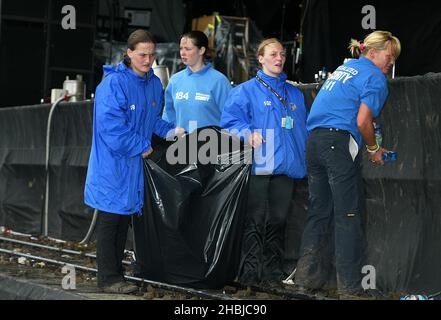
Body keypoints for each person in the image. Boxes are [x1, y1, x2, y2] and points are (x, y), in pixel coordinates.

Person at [293, 30, 401, 299]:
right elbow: (363, 121)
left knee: (319, 211)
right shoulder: (375, 77)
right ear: (373, 53)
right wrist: (374, 148)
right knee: (348, 215)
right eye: (390, 56)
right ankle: (351, 288)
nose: (392, 63)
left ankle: (305, 280)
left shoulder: (346, 67)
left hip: (314, 142)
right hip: (336, 144)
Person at [84, 29, 183, 294]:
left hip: (132, 167)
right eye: (142, 54)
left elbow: (151, 121)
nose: (148, 60)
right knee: (110, 220)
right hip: (113, 165)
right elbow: (112, 128)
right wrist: (142, 146)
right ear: (128, 53)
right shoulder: (113, 84)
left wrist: (170, 131)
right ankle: (108, 278)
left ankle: (115, 274)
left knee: (121, 220)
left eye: (152, 55)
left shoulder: (153, 84)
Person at [221, 38, 308, 288]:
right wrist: (247, 133)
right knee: (255, 220)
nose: (279, 58)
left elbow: (303, 129)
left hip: (287, 166)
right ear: (260, 58)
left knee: (278, 220)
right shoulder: (245, 91)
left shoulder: (294, 93)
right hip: (260, 164)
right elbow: (229, 122)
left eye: (282, 54)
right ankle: (249, 275)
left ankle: (272, 274)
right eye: (272, 54)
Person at [162, 31, 232, 133]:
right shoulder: (175, 80)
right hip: (180, 145)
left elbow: (231, 116)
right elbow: (168, 114)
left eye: (188, 49)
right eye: (181, 48)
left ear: (201, 50)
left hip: (212, 145)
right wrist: (170, 132)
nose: (182, 53)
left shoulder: (219, 81)